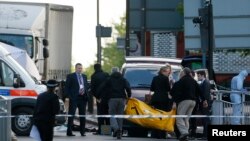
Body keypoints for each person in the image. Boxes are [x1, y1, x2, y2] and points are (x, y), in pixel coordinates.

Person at [99, 67, 131, 139]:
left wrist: (99, 96)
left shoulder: (109, 79)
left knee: (112, 115)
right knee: (120, 116)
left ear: (112, 72)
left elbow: (102, 87)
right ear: (119, 71)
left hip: (112, 99)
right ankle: (119, 131)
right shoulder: (123, 79)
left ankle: (116, 128)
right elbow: (128, 88)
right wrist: (129, 96)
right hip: (122, 99)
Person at [172, 67, 201, 141]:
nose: (180, 74)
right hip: (193, 102)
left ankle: (184, 132)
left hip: (184, 101)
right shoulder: (194, 81)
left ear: (184, 73)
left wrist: (174, 101)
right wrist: (204, 100)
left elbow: (174, 91)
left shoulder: (182, 81)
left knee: (179, 117)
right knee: (186, 118)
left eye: (181, 73)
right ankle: (186, 134)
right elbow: (199, 91)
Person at [65, 63, 89, 136]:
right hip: (74, 98)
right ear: (75, 68)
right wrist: (69, 97)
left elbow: (86, 86)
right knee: (71, 115)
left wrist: (86, 93)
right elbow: (67, 87)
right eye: (79, 68)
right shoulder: (70, 76)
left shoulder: (84, 76)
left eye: (81, 68)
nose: (80, 69)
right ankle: (69, 131)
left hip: (82, 98)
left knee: (82, 115)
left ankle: (82, 131)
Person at [149, 66, 172, 139]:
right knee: (163, 116)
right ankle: (162, 134)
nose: (167, 73)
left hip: (155, 99)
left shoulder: (155, 78)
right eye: (167, 72)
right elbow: (168, 88)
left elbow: (152, 88)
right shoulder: (165, 78)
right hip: (164, 100)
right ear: (163, 71)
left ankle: (155, 134)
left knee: (156, 116)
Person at [90, 63, 110, 135]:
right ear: (101, 67)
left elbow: (92, 89)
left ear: (94, 68)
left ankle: (101, 131)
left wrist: (97, 97)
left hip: (99, 98)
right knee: (107, 114)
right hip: (107, 98)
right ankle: (107, 131)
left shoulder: (93, 76)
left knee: (100, 114)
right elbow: (109, 86)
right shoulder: (106, 74)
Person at [196, 70, 211, 139]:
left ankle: (206, 135)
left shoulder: (206, 82)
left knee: (206, 119)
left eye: (198, 76)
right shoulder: (204, 82)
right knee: (205, 119)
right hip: (204, 102)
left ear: (202, 75)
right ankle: (205, 134)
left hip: (205, 103)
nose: (197, 77)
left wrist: (205, 101)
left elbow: (205, 93)